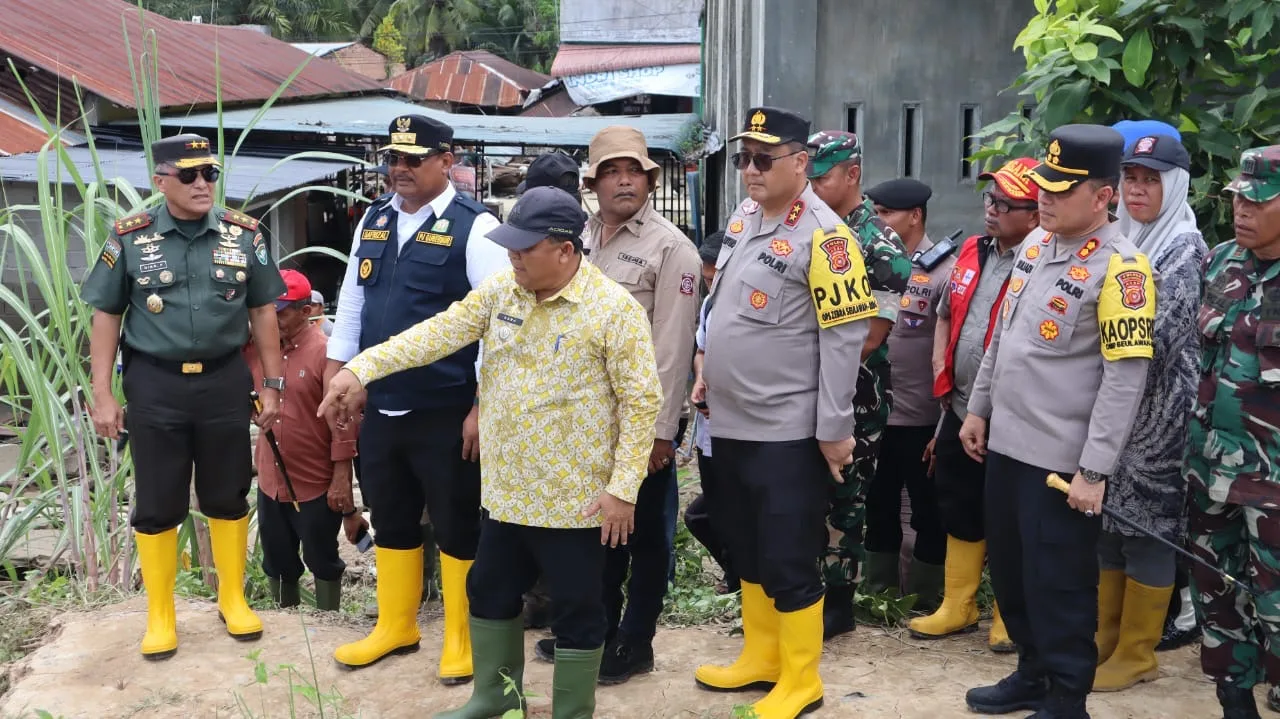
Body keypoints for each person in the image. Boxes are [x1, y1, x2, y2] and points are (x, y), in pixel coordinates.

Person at [319, 186, 663, 719]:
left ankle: (572, 711)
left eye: (526, 248)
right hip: (505, 495)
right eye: (511, 245)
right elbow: (435, 334)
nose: (513, 256)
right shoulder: (502, 293)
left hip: (575, 503)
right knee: (490, 592)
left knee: (578, 609)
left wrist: (623, 490)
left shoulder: (613, 312)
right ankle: (497, 698)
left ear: (566, 250)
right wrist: (359, 368)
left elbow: (643, 405)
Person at [959, 124, 1155, 718]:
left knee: (1060, 584)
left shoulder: (1123, 272)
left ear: (1104, 196)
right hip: (1009, 446)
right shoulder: (1037, 246)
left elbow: (1125, 380)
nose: (1044, 197)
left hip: (1062, 462)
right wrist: (978, 407)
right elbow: (1005, 335)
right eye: (1043, 184)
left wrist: (1095, 470)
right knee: (1015, 576)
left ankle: (1068, 696)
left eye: (1062, 189)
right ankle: (1031, 672)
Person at [695, 107, 876, 718]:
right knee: (746, 544)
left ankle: (802, 678)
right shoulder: (749, 216)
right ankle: (761, 656)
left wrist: (833, 431)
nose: (750, 169)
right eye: (746, 158)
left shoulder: (826, 239)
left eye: (764, 159)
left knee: (789, 552)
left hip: (787, 430)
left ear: (800, 163)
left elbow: (845, 342)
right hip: (731, 422)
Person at [82, 133, 286, 658]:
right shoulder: (130, 236)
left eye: (210, 174)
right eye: (190, 175)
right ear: (160, 181)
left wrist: (272, 383)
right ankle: (160, 614)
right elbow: (106, 316)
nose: (203, 184)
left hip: (223, 379)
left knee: (227, 491)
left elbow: (264, 311)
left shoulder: (245, 235)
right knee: (158, 500)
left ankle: (233, 599)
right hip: (156, 382)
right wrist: (102, 394)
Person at [325, 114, 508, 681]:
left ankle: (461, 636)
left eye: (413, 159)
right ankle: (395, 625)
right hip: (381, 402)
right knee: (392, 514)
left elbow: (498, 322)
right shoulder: (374, 220)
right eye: (392, 159)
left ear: (445, 161)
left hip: (446, 406)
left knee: (456, 523)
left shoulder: (474, 228)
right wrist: (341, 374)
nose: (399, 169)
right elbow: (353, 301)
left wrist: (481, 405)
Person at [531, 125, 701, 685]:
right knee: (593, 535)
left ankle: (637, 641)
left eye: (634, 170)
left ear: (650, 179)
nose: (623, 180)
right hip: (581, 427)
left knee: (647, 538)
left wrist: (659, 433)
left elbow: (672, 350)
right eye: (611, 170)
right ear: (593, 182)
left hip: (637, 429)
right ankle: (595, 632)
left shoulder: (670, 248)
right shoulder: (576, 239)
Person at [908, 157, 1042, 651]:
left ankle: (1010, 614)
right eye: (991, 199)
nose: (993, 210)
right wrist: (943, 378)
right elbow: (945, 314)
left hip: (1012, 415)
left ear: (1035, 214)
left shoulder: (1041, 259)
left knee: (1008, 515)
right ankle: (958, 605)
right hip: (961, 406)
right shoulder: (972, 249)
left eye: (1006, 204)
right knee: (957, 501)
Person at [1092, 133, 1206, 693]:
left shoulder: (1185, 249)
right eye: (1130, 179)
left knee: (1148, 531)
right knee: (1109, 525)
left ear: (1176, 184)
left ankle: (1137, 651)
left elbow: (1159, 337)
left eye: (1150, 180)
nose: (1136, 190)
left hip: (1161, 416)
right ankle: (1105, 640)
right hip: (1116, 410)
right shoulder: (1121, 238)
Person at [805, 129, 911, 639]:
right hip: (804, 391)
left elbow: (869, 337)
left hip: (855, 397)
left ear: (853, 175)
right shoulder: (806, 227)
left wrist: (807, 372)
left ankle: (837, 604)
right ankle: (801, 599)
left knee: (844, 501)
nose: (811, 187)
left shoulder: (879, 244)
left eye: (821, 178)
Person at [1186, 145, 1280, 719]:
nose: (1241, 209)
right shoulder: (1223, 261)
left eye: (1258, 200)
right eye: (1237, 197)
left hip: (1273, 481)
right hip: (1209, 469)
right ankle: (1234, 697)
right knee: (1216, 589)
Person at [243, 270, 364, 611]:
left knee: (322, 557)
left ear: (306, 311)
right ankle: (286, 625)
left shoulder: (327, 355)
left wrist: (342, 480)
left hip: (314, 481)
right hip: (270, 479)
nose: (272, 319)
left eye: (280, 312)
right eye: (267, 311)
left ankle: (329, 620)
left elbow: (343, 424)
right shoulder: (256, 350)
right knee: (277, 559)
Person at [861, 178, 953, 607]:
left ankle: (925, 598)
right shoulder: (873, 265)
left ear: (915, 216)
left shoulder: (942, 272)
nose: (878, 222)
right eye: (875, 213)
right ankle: (878, 593)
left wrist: (945, 421)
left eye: (886, 214)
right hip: (878, 410)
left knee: (927, 509)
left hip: (922, 417)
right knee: (877, 504)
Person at [517, 149, 584, 632]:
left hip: (579, 418)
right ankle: (542, 601)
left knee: (572, 530)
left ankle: (563, 613)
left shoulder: (577, 251)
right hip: (528, 415)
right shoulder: (521, 255)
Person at [686, 230, 738, 594]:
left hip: (744, 429)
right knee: (710, 512)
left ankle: (748, 577)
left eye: (717, 278)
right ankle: (736, 575)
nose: (712, 286)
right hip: (710, 429)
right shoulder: (710, 304)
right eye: (706, 280)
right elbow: (701, 349)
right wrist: (701, 378)